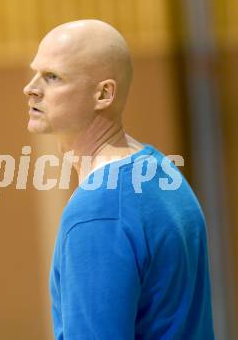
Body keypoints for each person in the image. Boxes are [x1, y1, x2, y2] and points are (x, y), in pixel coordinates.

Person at [23, 20, 215, 339]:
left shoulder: (98, 213)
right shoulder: (162, 172)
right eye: (35, 72)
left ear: (103, 93)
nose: (31, 88)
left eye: (52, 77)